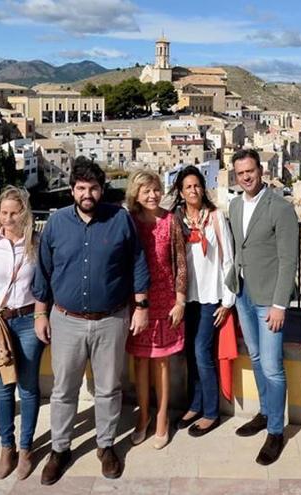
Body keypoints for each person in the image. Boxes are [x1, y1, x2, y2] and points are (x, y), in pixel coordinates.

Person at [32, 157, 150, 485]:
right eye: (81, 188)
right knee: (63, 388)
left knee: (109, 387)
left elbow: (138, 262)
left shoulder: (120, 220)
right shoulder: (56, 224)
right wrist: (41, 313)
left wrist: (141, 306)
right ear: (72, 191)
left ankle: (106, 444)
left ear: (102, 190)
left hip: (111, 319)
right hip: (66, 320)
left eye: (93, 188)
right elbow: (43, 270)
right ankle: (60, 449)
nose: (87, 194)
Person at [225, 149, 299, 465]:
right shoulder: (235, 204)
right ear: (236, 175)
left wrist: (280, 304)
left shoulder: (280, 208)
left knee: (271, 366)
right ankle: (265, 413)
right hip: (243, 293)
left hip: (270, 300)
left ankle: (276, 431)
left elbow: (289, 260)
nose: (246, 177)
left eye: (250, 171)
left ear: (261, 170)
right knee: (255, 357)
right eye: (241, 173)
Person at [0, 186, 44, 479]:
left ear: (24, 213)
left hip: (27, 321)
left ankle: (26, 448)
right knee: (3, 388)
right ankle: (7, 446)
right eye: (4, 213)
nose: (9, 218)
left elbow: (43, 285)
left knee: (27, 388)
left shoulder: (36, 243)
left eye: (15, 213)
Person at [124, 170, 187, 450]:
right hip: (137, 303)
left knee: (161, 363)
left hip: (164, 303)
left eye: (156, 190)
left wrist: (180, 300)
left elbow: (180, 263)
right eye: (146, 191)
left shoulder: (170, 220)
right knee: (140, 362)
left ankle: (161, 418)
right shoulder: (130, 222)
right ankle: (144, 416)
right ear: (135, 194)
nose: (152, 195)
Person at [171, 166, 235, 438]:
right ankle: (195, 404)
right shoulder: (177, 220)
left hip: (211, 297)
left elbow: (229, 259)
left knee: (201, 352)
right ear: (181, 193)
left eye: (197, 185)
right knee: (189, 354)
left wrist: (227, 301)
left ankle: (211, 412)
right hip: (188, 298)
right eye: (188, 187)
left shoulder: (216, 217)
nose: (193, 190)